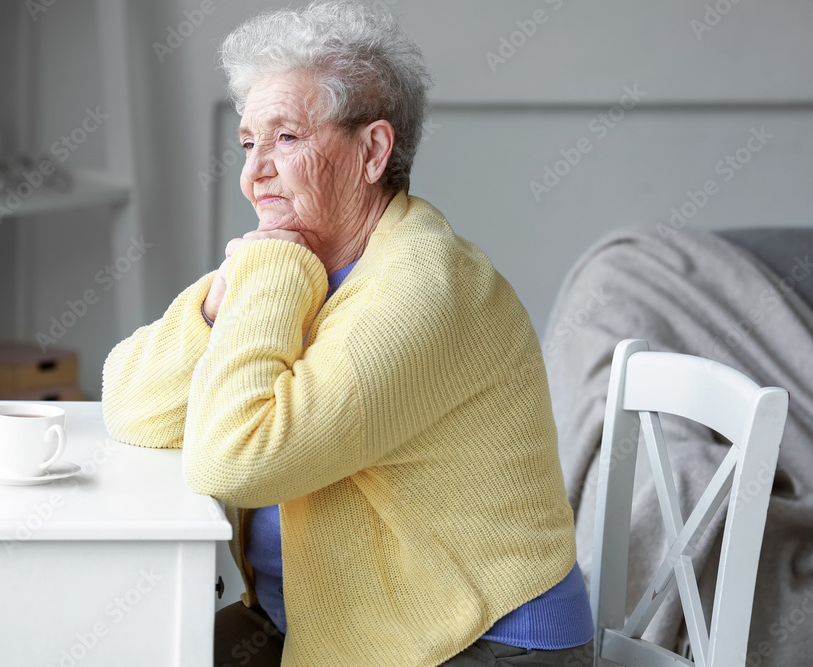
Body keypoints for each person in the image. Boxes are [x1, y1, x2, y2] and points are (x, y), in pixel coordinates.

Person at [101, 1, 593, 665]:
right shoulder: (306, 266)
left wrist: (264, 268)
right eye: (248, 143)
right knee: (136, 646)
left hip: (474, 642)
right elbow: (127, 403)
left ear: (372, 151)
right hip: (322, 620)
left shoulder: (419, 288)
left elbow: (232, 461)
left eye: (287, 139)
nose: (255, 172)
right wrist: (224, 296)